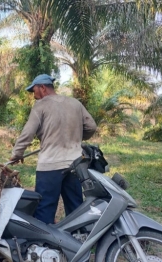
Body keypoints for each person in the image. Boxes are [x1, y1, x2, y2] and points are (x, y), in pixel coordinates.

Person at [9, 74, 97, 224]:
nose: (34, 95)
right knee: (75, 207)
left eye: (34, 90)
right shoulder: (75, 103)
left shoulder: (41, 105)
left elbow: (28, 133)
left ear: (42, 88)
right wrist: (76, 139)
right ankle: (77, 240)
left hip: (50, 165)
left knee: (45, 208)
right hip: (75, 164)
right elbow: (91, 126)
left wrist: (16, 154)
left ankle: (45, 245)